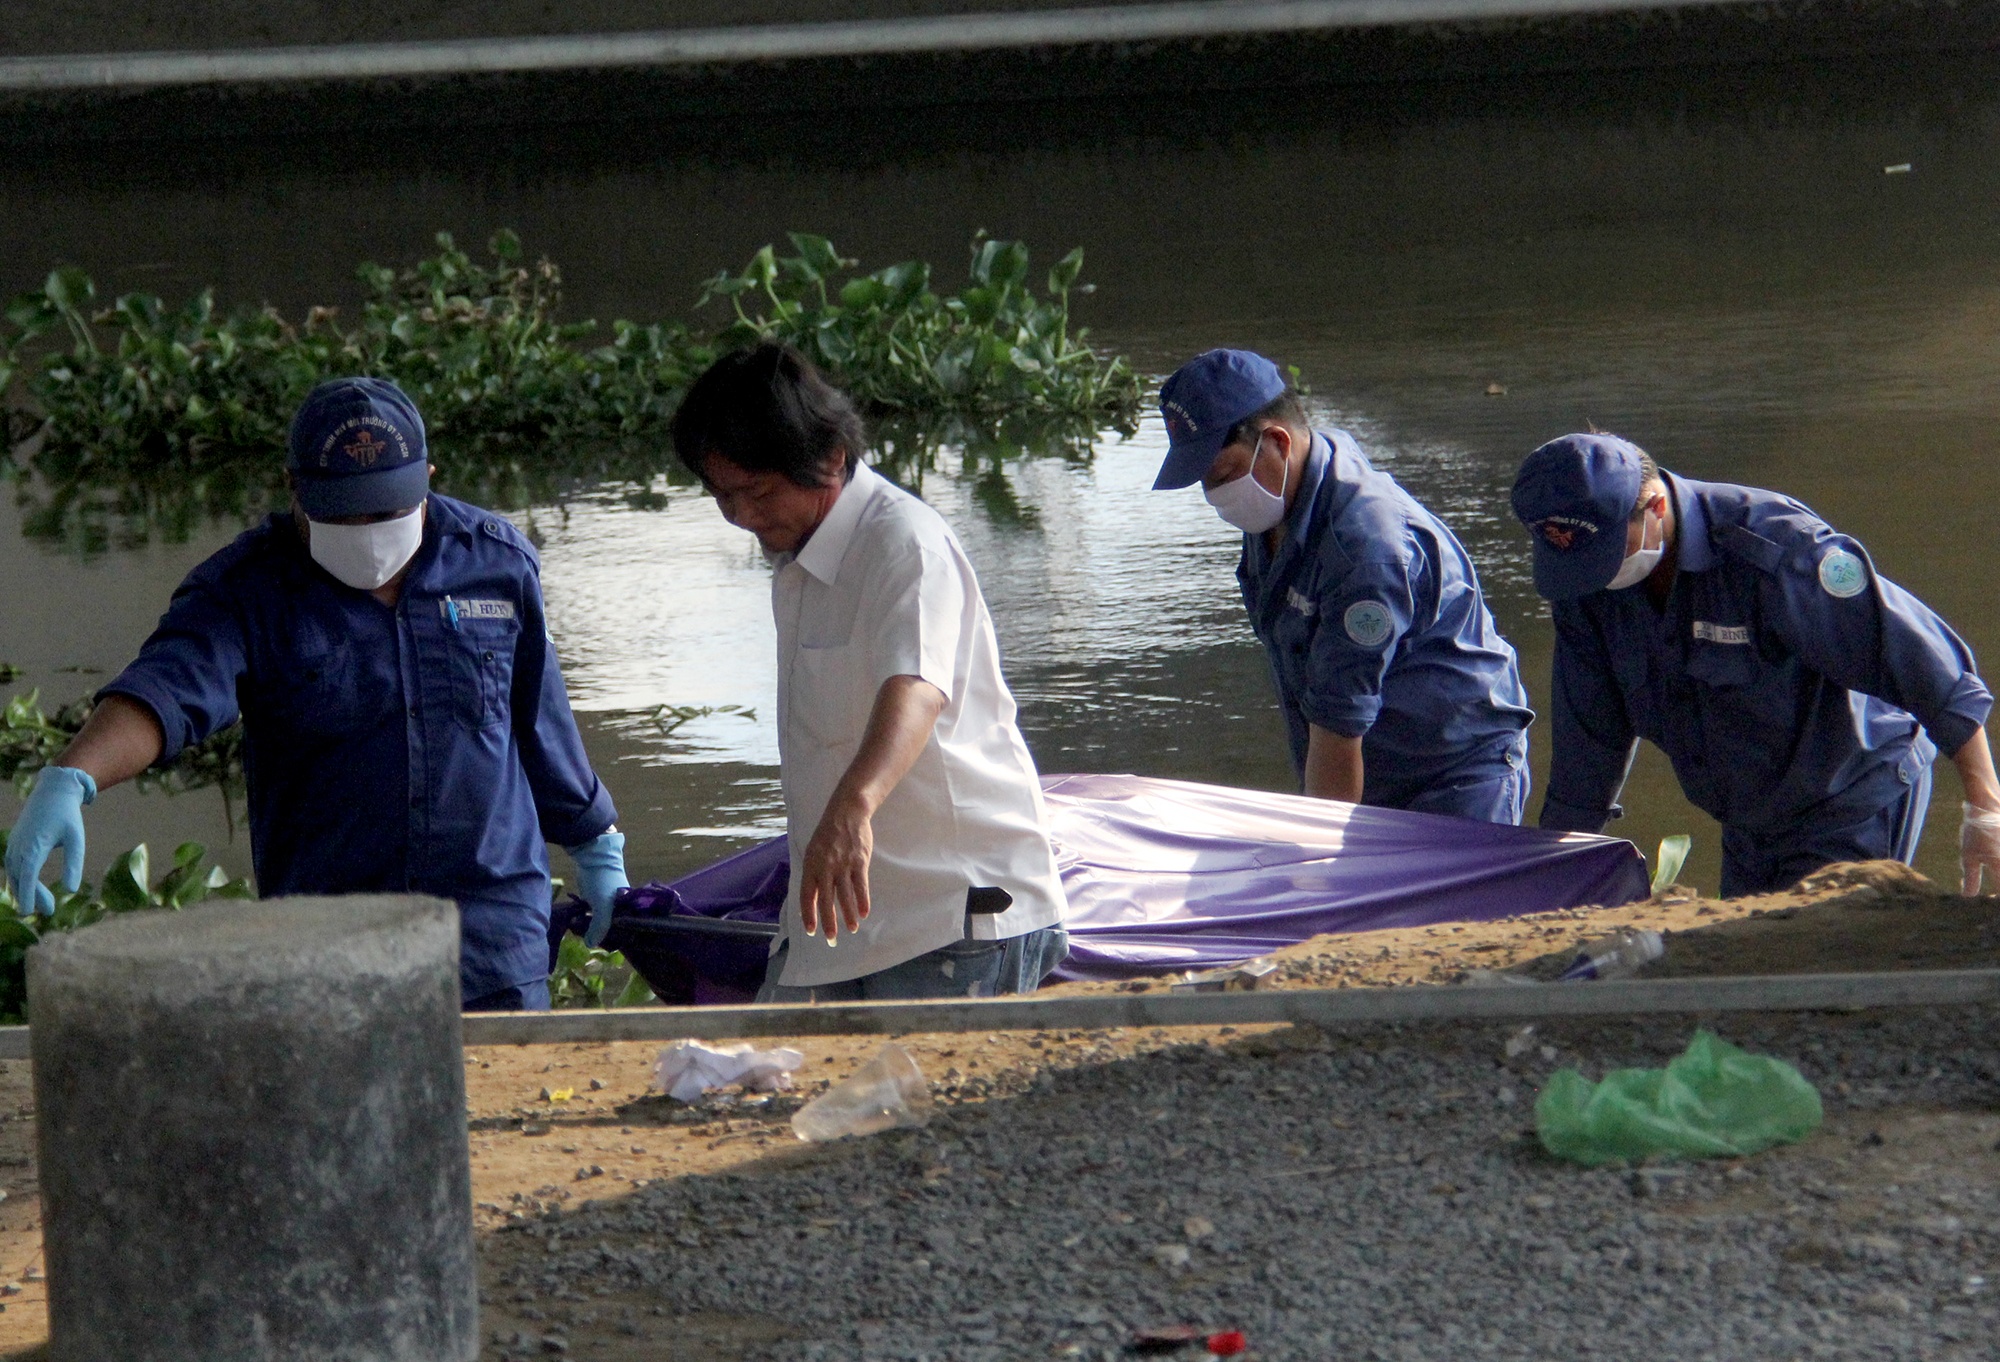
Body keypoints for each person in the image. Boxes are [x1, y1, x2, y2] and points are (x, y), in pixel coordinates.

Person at [3, 377, 626, 1009]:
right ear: (295, 490)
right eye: (345, 513)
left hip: (493, 936)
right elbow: (169, 686)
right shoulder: (245, 591)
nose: (368, 531)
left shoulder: (495, 563)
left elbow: (540, 725)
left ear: (427, 478)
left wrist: (596, 846)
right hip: (328, 946)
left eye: (386, 512)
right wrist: (72, 777)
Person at [669, 342, 1068, 1001]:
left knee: (930, 1104)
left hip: (952, 911)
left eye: (758, 492)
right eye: (723, 497)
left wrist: (853, 806)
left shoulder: (903, 541)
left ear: (829, 459)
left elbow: (917, 687)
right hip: (841, 917)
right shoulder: (796, 561)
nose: (742, 516)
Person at [1510, 432, 2000, 897]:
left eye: (1607, 554)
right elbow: (1588, 739)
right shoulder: (1586, 586)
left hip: (1847, 796)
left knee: (1820, 960)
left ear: (1656, 508)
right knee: (1755, 958)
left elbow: (1927, 666)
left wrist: (1986, 810)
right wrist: (1557, 865)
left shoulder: (1771, 546)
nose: (1600, 575)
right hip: (1749, 816)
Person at [1152, 349, 1534, 822]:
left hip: (1454, 771)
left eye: (1224, 476)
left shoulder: (1365, 549)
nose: (1215, 498)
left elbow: (1337, 723)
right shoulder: (1280, 503)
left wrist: (1321, 857)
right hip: (1374, 761)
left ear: (1277, 441)